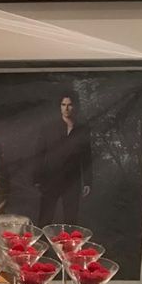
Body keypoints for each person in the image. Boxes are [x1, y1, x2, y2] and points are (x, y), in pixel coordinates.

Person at [33, 91, 92, 226]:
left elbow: (87, 156)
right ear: (59, 106)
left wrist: (87, 181)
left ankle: (68, 246)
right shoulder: (48, 127)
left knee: (71, 219)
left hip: (72, 180)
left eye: (70, 105)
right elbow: (39, 154)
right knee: (45, 218)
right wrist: (37, 178)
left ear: (75, 106)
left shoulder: (82, 129)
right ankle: (42, 246)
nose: (66, 108)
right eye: (63, 104)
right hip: (50, 179)